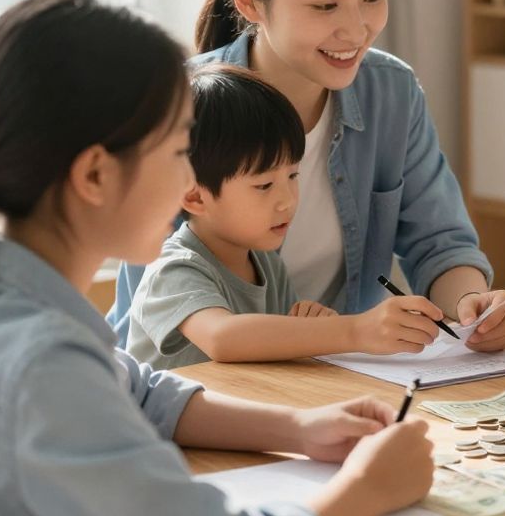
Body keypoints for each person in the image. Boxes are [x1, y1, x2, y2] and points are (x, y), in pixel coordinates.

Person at [0, 0, 434, 516]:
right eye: (180, 152)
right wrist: (369, 487)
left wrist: (297, 427)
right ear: (95, 175)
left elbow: (139, 391)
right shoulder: (39, 363)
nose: (190, 180)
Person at [108, 0, 505, 353]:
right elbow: (165, 307)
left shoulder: (391, 93)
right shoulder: (176, 109)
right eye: (325, 5)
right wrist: (350, 333)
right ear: (249, 1)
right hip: (191, 382)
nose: (357, 29)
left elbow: (440, 244)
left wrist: (473, 305)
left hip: (332, 373)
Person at [127, 65, 458, 369]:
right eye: (264, 185)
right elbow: (223, 338)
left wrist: (312, 328)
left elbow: (273, 350)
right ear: (195, 197)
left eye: (293, 176)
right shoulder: (174, 267)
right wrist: (353, 330)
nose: (287, 200)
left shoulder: (266, 264)